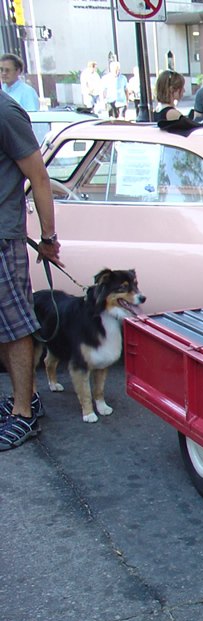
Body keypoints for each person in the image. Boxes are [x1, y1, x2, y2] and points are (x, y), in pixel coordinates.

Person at [0, 90, 61, 450]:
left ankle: (24, 412)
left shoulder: (6, 111)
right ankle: (25, 400)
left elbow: (39, 177)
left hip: (5, 239)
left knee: (17, 326)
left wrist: (47, 237)